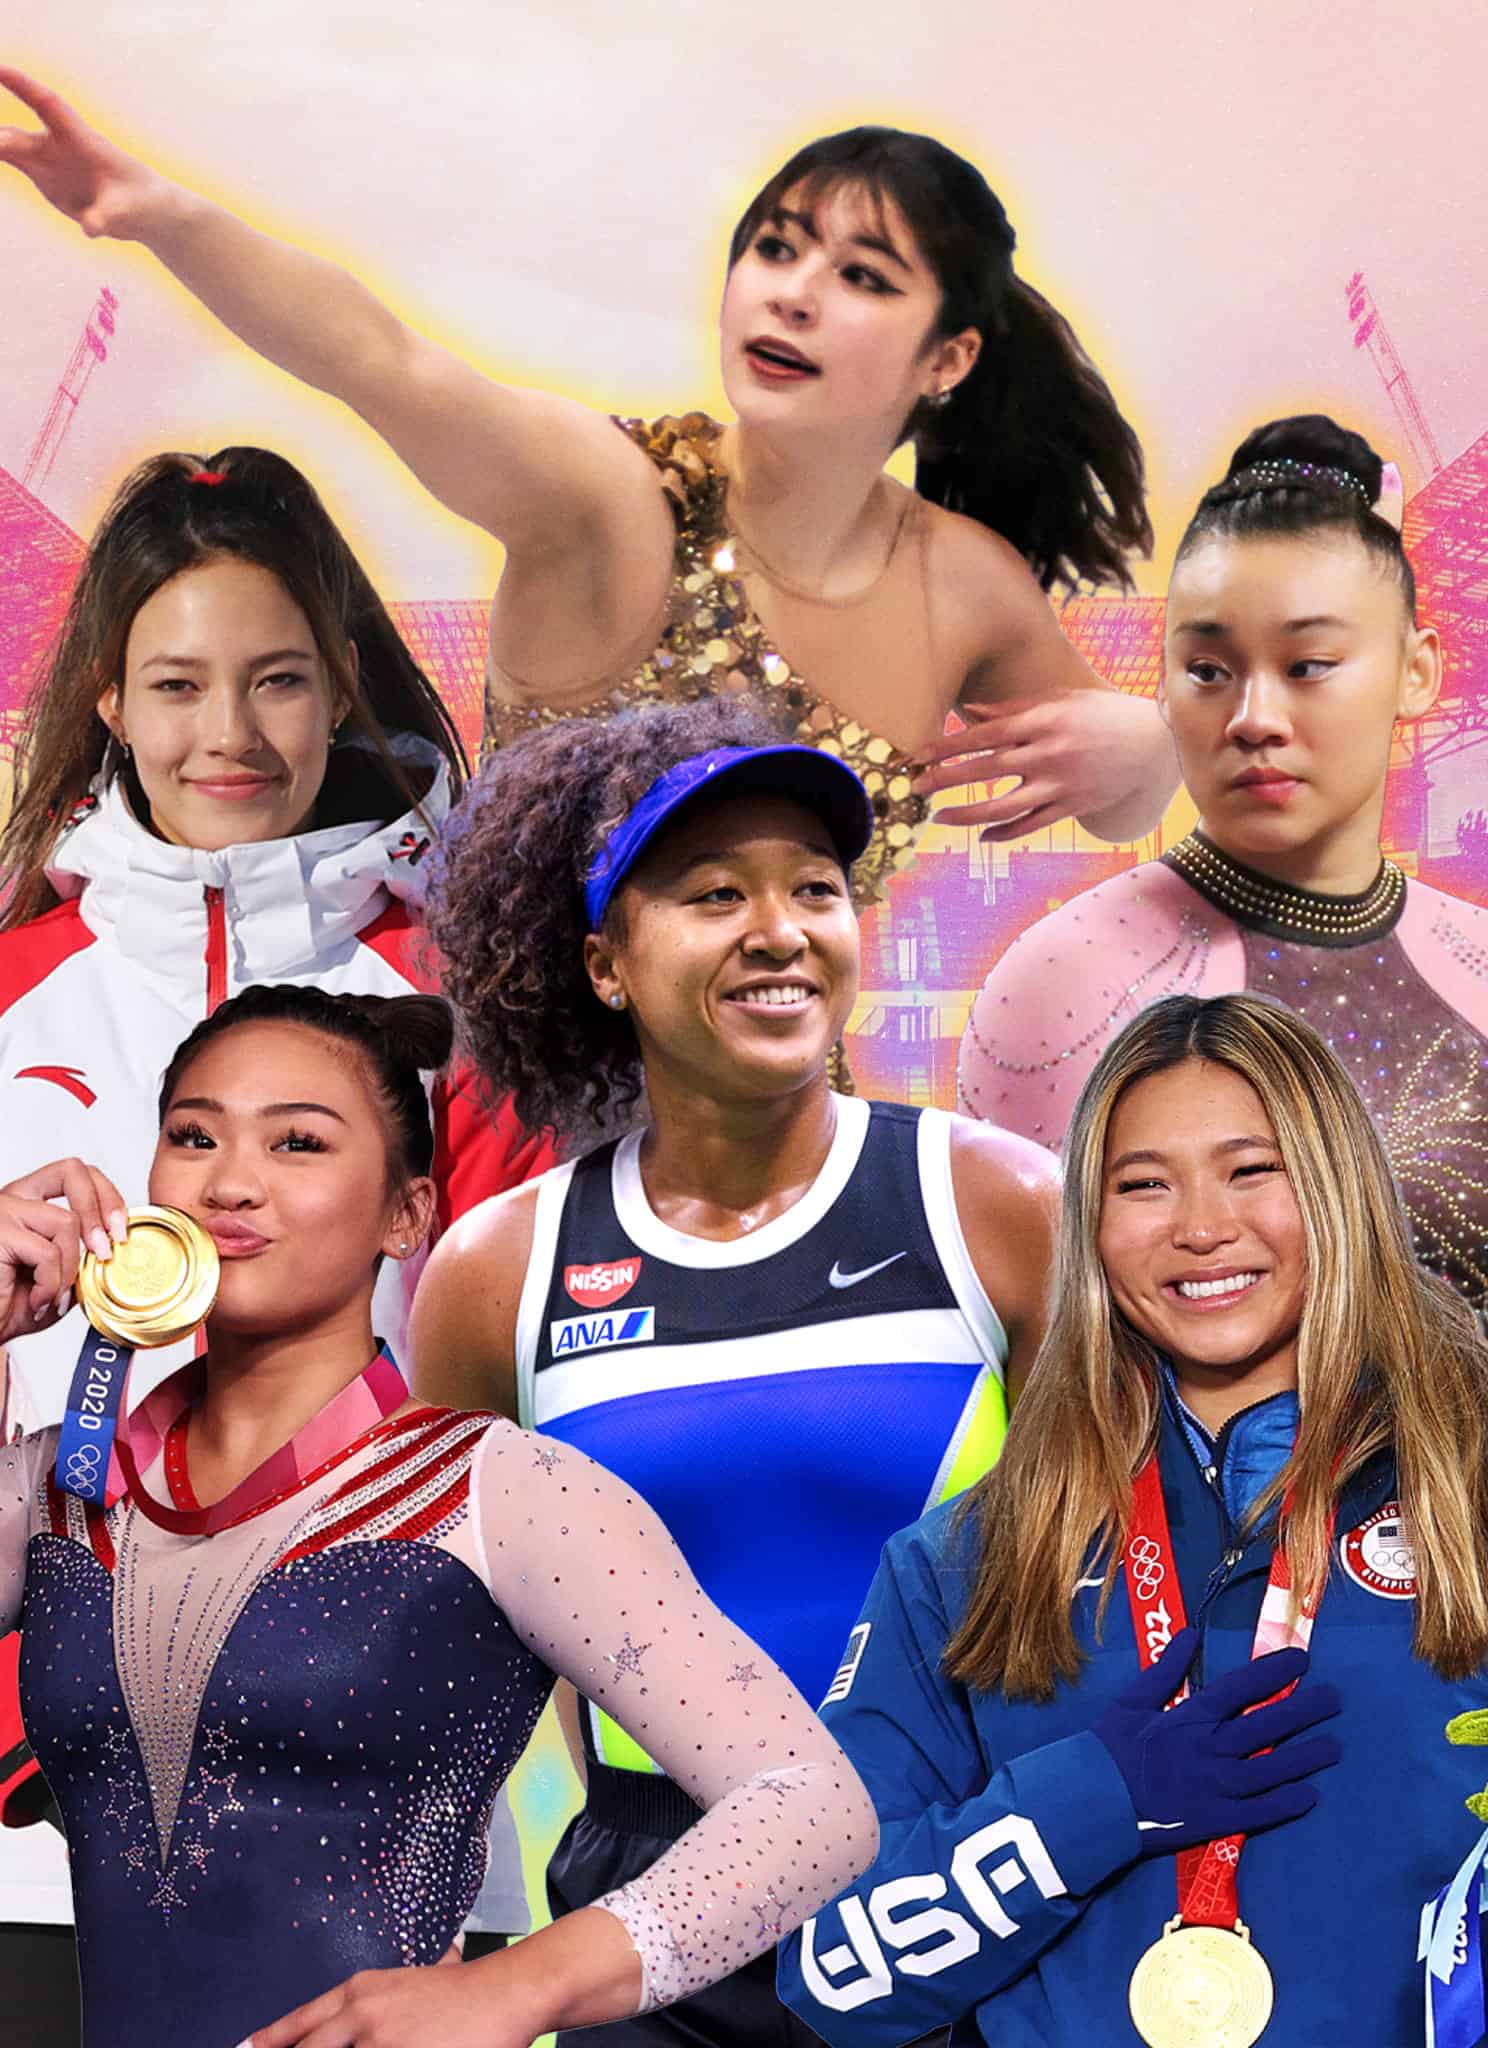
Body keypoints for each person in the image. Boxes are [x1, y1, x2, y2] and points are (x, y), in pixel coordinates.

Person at [0, 74, 1181, 906]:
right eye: (774, 248)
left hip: (785, 1135)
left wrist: (1153, 752)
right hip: (514, 1144)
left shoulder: (964, 583)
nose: (792, 294)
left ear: (949, 357)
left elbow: (1130, 803)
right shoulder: (618, 507)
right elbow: (389, 362)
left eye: (861, 275)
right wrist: (162, 218)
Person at [0, 983, 876, 2048]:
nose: (230, 1181)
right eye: (194, 1135)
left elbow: (811, 1803)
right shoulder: (60, 1488)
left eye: (299, 1144)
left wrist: (524, 1986)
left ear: (406, 1215)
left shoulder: (502, 1491)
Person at [410, 695, 1060, 2048]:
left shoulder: (997, 1204)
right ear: (603, 963)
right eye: (715, 893)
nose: (780, 930)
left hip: (959, 1868)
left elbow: (1125, 1563)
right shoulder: (497, 1274)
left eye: (814, 888)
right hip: (656, 1901)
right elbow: (438, 1671)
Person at [0, 445, 555, 2022]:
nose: (229, 736)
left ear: (343, 689)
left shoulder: (468, 1005)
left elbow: (519, 1411)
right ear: (109, 699)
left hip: (385, 1835)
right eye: (177, 685)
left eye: (280, 681)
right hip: (37, 1847)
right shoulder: (10, 990)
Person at [778, 991, 1488, 2048]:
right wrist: (1092, 1802)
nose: (1202, 1227)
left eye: (1254, 1169)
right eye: (1143, 1184)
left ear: (1339, 1188)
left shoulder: (1467, 1494)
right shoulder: (969, 1558)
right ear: (1093, 1227)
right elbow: (831, 1971)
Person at [957, 413, 1488, 1311]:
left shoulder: (1472, 956)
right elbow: (1034, 1363)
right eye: (1208, 670)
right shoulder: (1066, 980)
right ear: (1161, 683)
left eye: (1309, 664)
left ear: (1417, 670)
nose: (1253, 716)